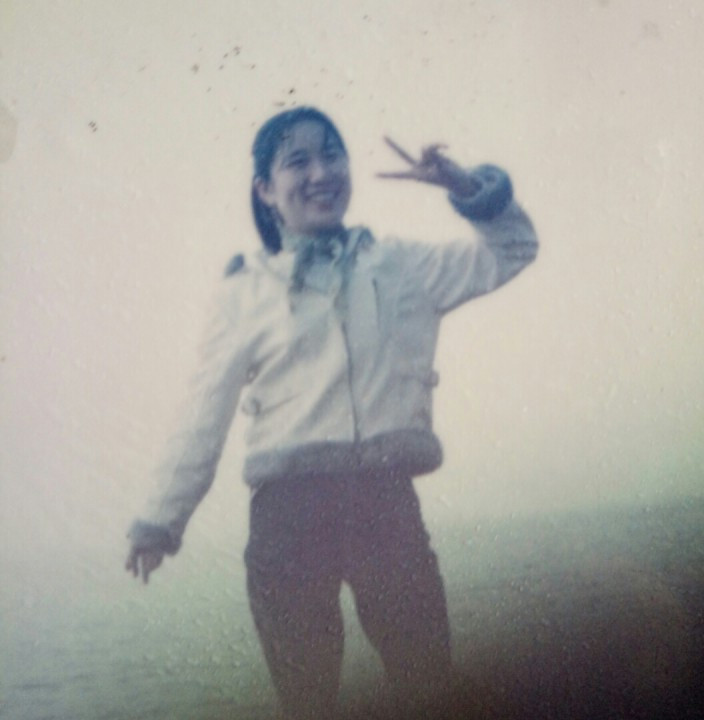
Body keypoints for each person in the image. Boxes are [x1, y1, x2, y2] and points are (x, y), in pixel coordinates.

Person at [125, 106, 538, 719]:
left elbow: (515, 248)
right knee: (308, 703)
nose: (321, 173)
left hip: (385, 505)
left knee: (429, 690)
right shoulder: (245, 291)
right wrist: (160, 521)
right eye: (298, 161)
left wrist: (465, 186)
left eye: (331, 155)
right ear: (266, 190)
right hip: (287, 520)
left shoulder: (400, 265)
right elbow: (203, 412)